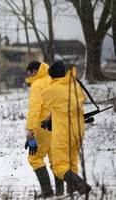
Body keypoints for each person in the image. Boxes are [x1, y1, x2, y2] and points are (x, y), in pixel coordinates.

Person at [41, 61, 91, 195]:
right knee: (72, 163)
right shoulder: (75, 85)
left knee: (59, 166)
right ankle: (72, 191)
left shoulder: (54, 89)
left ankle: (79, 183)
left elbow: (45, 97)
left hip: (63, 133)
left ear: (53, 76)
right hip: (78, 132)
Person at [24, 61, 64, 198]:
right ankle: (60, 192)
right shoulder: (52, 79)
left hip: (42, 127)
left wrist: (30, 129)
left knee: (34, 158)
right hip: (57, 125)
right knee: (56, 160)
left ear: (35, 71)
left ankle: (47, 191)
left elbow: (35, 108)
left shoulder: (37, 85)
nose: (28, 75)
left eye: (29, 72)